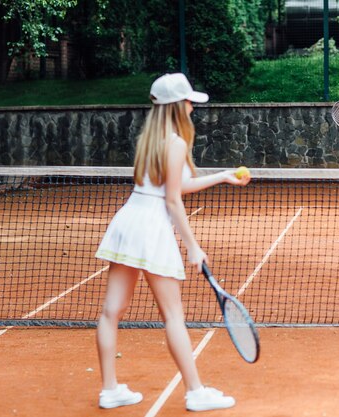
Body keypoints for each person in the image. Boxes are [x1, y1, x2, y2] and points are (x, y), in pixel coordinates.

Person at [94, 73, 250, 411]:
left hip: (129, 221)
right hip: (151, 227)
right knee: (174, 316)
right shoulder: (177, 142)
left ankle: (110, 390)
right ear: (177, 105)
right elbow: (172, 201)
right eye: (189, 100)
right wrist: (192, 245)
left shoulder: (149, 139)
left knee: (110, 312)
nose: (193, 105)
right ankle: (195, 391)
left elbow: (171, 188)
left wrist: (222, 176)